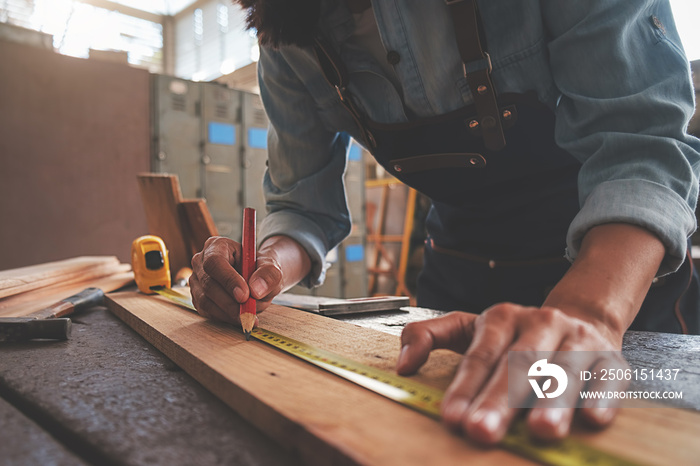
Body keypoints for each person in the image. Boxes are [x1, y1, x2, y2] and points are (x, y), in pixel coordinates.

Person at [190, 0, 700, 445]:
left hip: (614, 274)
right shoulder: (287, 33)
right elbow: (303, 207)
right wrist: (266, 267)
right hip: (461, 267)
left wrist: (590, 314)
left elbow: (641, 147)